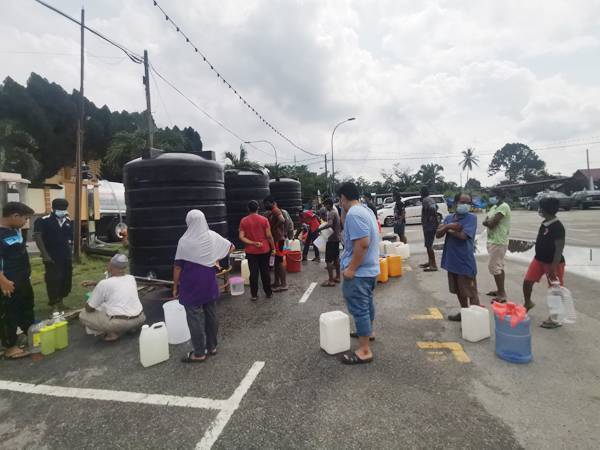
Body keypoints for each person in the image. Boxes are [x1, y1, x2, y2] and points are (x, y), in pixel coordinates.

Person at [173, 210, 234, 363]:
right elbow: (231, 247)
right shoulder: (212, 236)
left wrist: (175, 286)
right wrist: (215, 257)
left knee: (194, 317)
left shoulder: (184, 241)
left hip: (191, 283)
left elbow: (178, 267)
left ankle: (199, 353)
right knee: (211, 313)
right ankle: (212, 347)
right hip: (208, 280)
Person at [337, 182, 380, 365]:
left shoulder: (354, 214)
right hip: (369, 270)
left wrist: (351, 269)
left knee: (359, 309)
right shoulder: (365, 210)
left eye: (340, 200)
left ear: (343, 198)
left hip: (359, 272)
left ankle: (364, 350)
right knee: (367, 304)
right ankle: (368, 332)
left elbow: (362, 242)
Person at [79, 254, 145, 341]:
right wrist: (95, 283)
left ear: (111, 266)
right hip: (140, 319)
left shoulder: (104, 284)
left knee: (83, 314)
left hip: (120, 323)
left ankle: (112, 333)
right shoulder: (131, 278)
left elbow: (89, 308)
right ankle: (132, 328)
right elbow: (116, 285)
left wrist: (96, 295)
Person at [523, 197, 566, 328]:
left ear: (546, 209)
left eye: (541, 207)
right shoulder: (544, 223)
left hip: (553, 263)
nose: (539, 209)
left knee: (555, 290)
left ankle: (555, 318)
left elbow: (559, 248)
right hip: (539, 259)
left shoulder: (558, 226)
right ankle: (528, 302)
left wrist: (553, 267)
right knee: (527, 281)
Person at [0, 202, 35, 359]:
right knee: (9, 313)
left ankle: (29, 334)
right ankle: (10, 346)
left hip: (23, 279)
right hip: (8, 282)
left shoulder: (15, 230)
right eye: (25, 218)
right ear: (15, 216)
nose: (26, 222)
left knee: (26, 306)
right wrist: (3, 280)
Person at [437, 193, 479, 322]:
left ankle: (475, 319)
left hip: (464, 261)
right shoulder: (449, 217)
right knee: (459, 291)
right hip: (452, 261)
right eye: (462, 202)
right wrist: (450, 227)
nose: (465, 205)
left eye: (468, 203)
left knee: (471, 292)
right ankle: (464, 313)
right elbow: (438, 234)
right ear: (455, 203)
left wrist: (447, 227)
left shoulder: (471, 218)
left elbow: (463, 236)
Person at [34, 198, 73, 311]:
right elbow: (38, 236)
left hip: (65, 256)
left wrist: (70, 253)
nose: (63, 211)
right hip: (51, 256)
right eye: (60, 209)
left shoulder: (67, 221)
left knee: (65, 279)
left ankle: (61, 301)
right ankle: (54, 304)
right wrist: (45, 255)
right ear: (54, 208)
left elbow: (69, 239)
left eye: (64, 209)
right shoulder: (43, 220)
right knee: (53, 280)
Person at [239, 200, 276, 301]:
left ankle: (254, 295)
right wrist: (273, 248)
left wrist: (252, 243)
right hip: (264, 250)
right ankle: (268, 293)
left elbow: (241, 237)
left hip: (251, 251)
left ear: (248, 209)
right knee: (265, 272)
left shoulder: (244, 221)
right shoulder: (264, 220)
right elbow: (269, 236)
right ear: (258, 208)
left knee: (253, 273)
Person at [482, 190, 511, 302]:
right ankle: (500, 290)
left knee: (494, 266)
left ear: (500, 196)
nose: (490, 197)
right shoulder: (494, 207)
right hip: (492, 240)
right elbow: (487, 220)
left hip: (499, 240)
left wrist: (488, 222)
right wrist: (488, 222)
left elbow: (492, 224)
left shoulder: (503, 207)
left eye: (492, 195)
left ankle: (502, 294)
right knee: (499, 265)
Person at [263, 196, 289, 291]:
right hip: (276, 239)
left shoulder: (275, 210)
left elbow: (282, 220)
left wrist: (273, 228)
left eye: (266, 204)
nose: (265, 206)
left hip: (278, 240)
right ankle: (277, 282)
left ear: (272, 202)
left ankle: (283, 284)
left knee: (279, 262)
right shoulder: (273, 211)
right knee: (276, 262)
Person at [318, 198, 342, 287]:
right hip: (336, 239)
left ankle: (331, 280)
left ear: (329, 204)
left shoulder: (331, 212)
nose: (324, 207)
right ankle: (338, 277)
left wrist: (320, 229)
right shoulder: (336, 212)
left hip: (331, 240)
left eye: (325, 205)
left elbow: (330, 224)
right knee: (336, 258)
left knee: (328, 260)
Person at [420, 186, 439, 272]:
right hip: (431, 225)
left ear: (422, 193)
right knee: (428, 245)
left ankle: (433, 265)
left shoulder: (425, 200)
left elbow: (433, 208)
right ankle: (430, 262)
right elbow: (436, 207)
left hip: (429, 226)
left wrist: (430, 218)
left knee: (429, 246)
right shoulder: (430, 199)